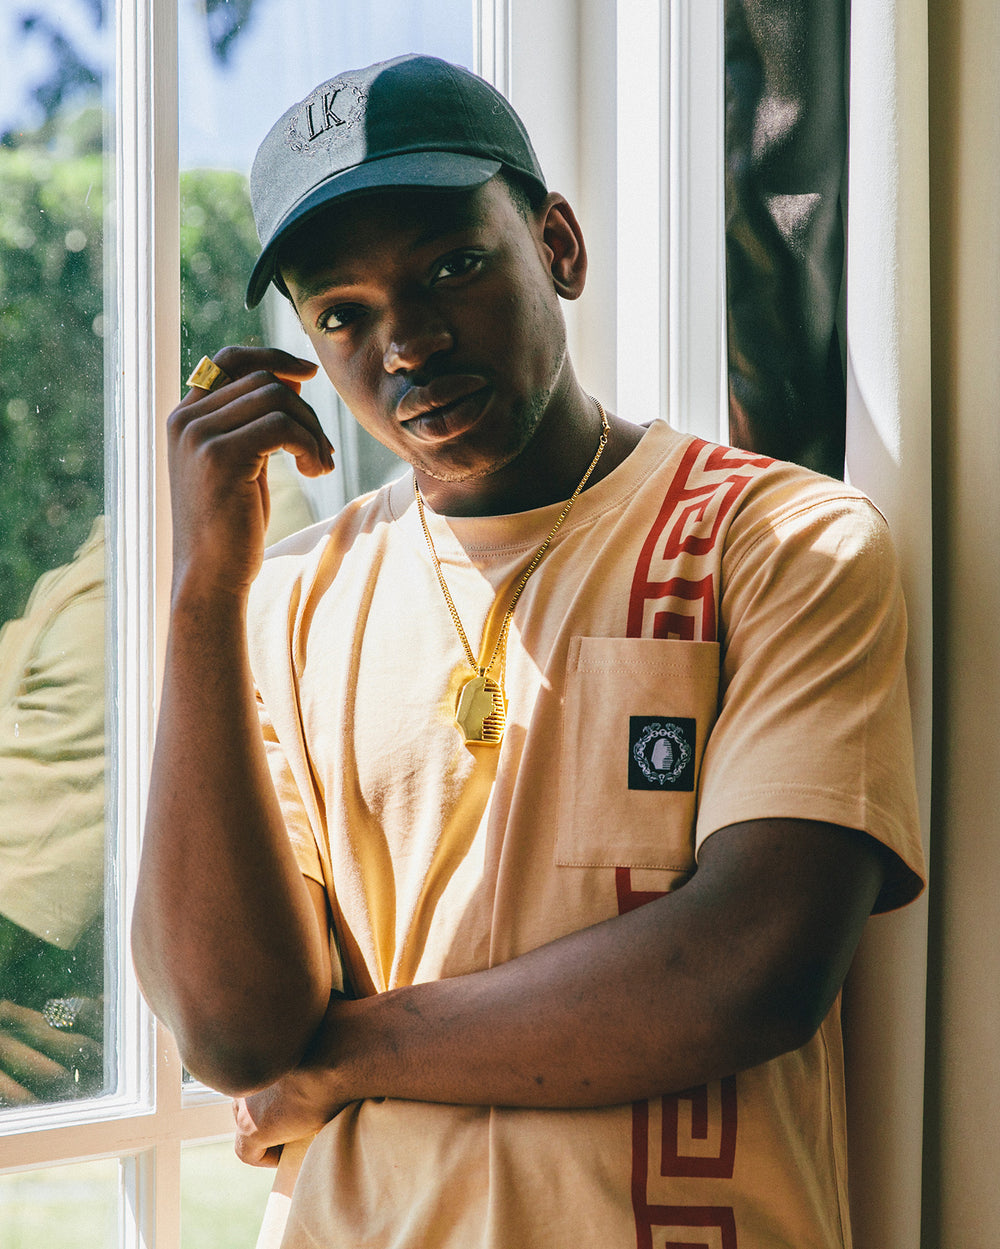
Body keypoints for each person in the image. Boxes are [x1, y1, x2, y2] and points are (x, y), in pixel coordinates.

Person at [131, 54, 926, 1248]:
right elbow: (236, 1033)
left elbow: (749, 971)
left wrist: (342, 1055)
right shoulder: (285, 599)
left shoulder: (776, 539)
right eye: (343, 313)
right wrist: (203, 593)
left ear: (556, 245)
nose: (407, 341)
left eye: (452, 266)